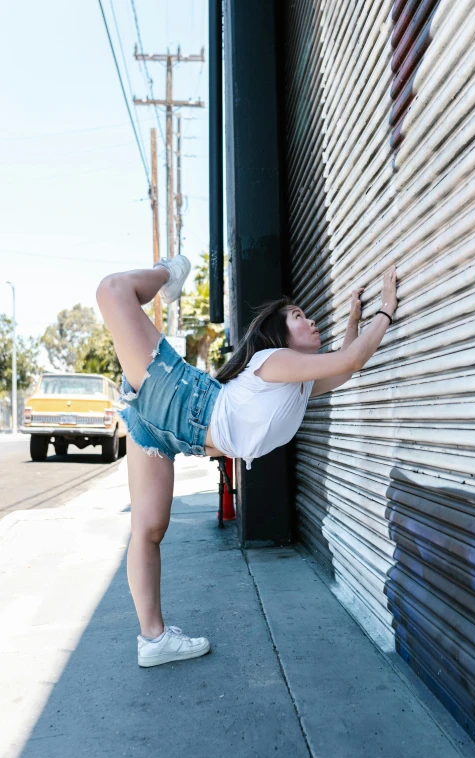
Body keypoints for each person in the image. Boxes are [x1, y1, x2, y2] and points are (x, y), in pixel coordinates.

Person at [96, 257, 398, 667]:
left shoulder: (299, 384)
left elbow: (344, 365)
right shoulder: (274, 361)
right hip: (179, 398)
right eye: (298, 316)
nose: (310, 321)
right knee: (112, 290)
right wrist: (386, 309)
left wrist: (355, 318)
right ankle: (172, 271)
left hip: (166, 433)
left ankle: (153, 639)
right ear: (279, 333)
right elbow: (351, 361)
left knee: (148, 530)